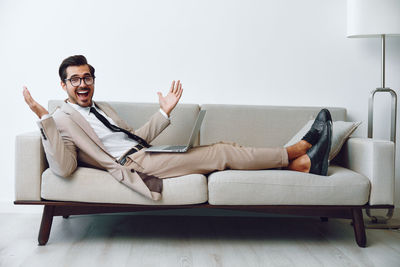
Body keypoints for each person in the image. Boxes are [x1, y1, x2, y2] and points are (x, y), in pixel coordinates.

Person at [23, 55, 332, 201]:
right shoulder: (61, 118)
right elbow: (63, 168)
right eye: (74, 80)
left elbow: (138, 137)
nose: (82, 84)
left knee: (227, 146)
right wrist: (42, 117)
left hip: (145, 152)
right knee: (221, 153)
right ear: (63, 85)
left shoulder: (102, 108)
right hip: (133, 164)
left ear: (93, 80)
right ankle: (296, 150)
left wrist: (164, 110)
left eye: (87, 77)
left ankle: (302, 166)